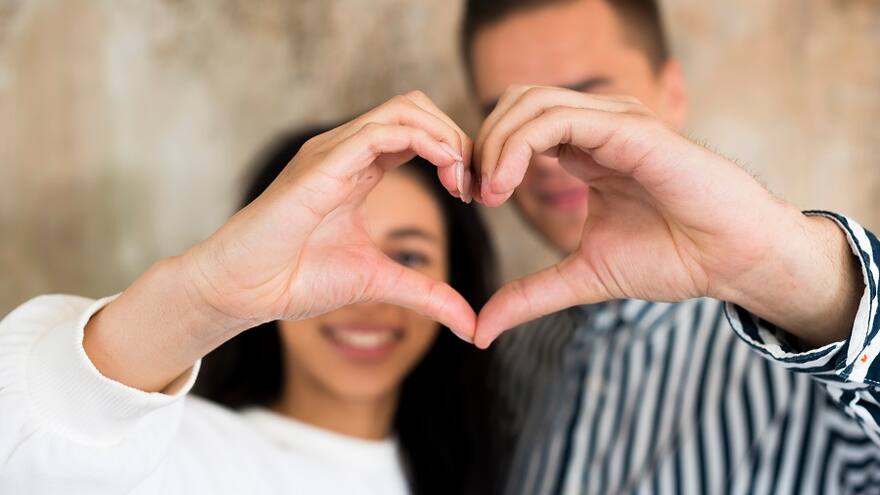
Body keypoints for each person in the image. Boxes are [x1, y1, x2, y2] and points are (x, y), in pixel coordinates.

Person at [460, 0, 880, 493]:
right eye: (508, 116)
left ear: (672, 93)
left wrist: (785, 270)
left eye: (583, 101)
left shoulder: (807, 355)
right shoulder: (508, 360)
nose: (543, 152)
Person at [0, 105, 501, 494]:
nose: (366, 295)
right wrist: (209, 296)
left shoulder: (487, 466)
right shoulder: (167, 457)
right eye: (327, 254)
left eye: (409, 257)